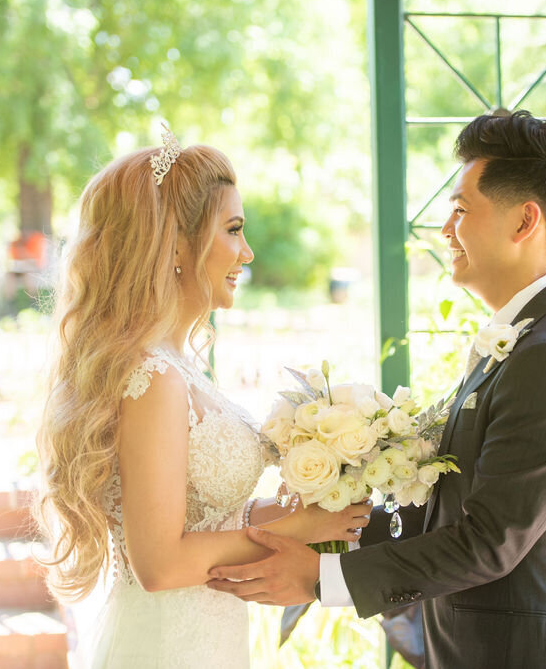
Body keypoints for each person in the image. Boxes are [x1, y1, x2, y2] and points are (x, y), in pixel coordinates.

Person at [207, 110, 546, 668]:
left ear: (525, 222)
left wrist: (321, 578)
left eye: (460, 211)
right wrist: (334, 521)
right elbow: (450, 507)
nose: (446, 230)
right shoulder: (529, 338)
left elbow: (487, 541)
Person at [33, 125, 371, 668]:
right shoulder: (153, 378)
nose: (248, 252)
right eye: (233, 230)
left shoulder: (177, 366)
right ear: (173, 243)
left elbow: (206, 518)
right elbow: (162, 564)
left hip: (203, 640)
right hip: (165, 647)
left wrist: (313, 503)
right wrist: (297, 528)